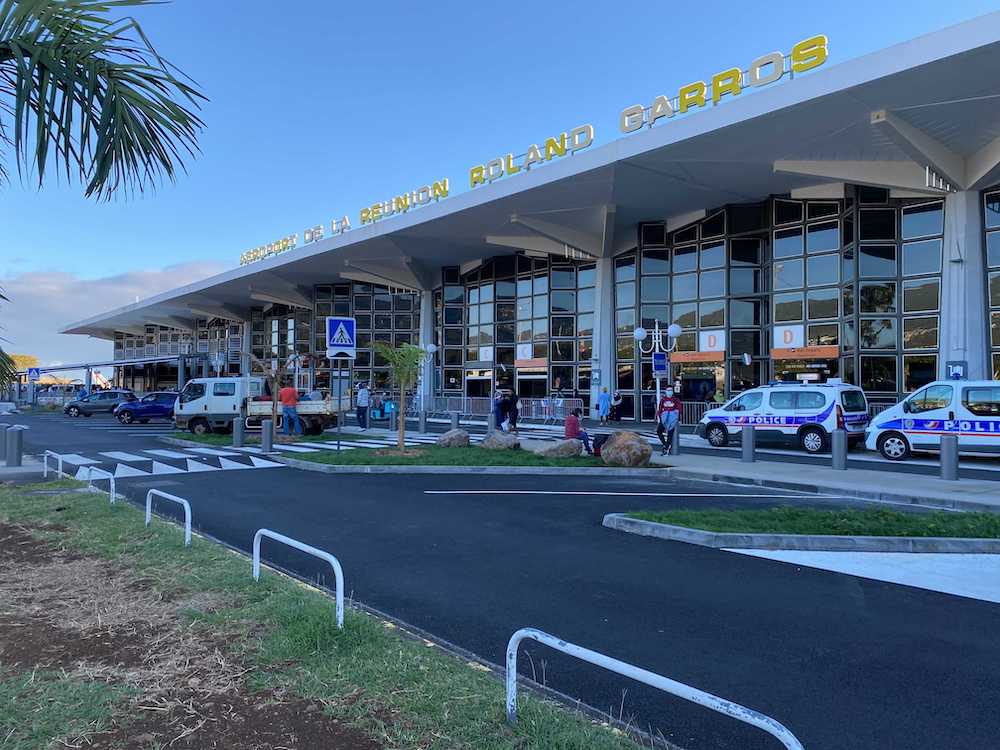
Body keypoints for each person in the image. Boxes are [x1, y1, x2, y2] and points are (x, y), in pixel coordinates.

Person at [655, 386, 682, 456]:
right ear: (666, 391)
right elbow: (660, 409)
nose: (669, 391)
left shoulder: (676, 400)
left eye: (671, 390)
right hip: (664, 419)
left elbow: (679, 410)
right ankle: (665, 444)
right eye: (668, 390)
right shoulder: (663, 400)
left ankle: (666, 449)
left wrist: (678, 419)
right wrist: (660, 417)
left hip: (672, 419)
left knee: (670, 434)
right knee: (659, 431)